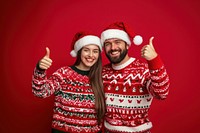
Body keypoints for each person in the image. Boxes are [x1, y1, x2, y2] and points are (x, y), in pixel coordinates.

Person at [100, 22, 170, 133]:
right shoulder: (102, 72)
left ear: (127, 45)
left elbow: (162, 93)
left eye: (117, 42)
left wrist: (154, 60)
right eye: (108, 44)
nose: (113, 48)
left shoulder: (142, 70)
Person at [32, 31, 106, 133]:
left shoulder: (101, 77)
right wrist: (40, 69)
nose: (91, 55)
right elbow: (40, 92)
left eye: (95, 51)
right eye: (86, 50)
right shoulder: (64, 73)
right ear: (79, 51)